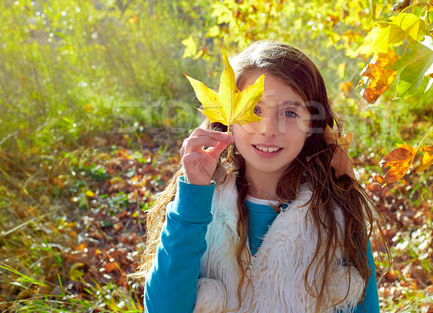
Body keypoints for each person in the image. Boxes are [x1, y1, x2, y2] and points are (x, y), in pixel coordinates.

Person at [139, 40, 383, 312]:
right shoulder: (200, 201)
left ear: (312, 125)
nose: (269, 129)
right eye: (255, 110)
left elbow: (365, 305)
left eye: (290, 112)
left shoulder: (336, 208)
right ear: (227, 116)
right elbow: (163, 307)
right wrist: (192, 197)